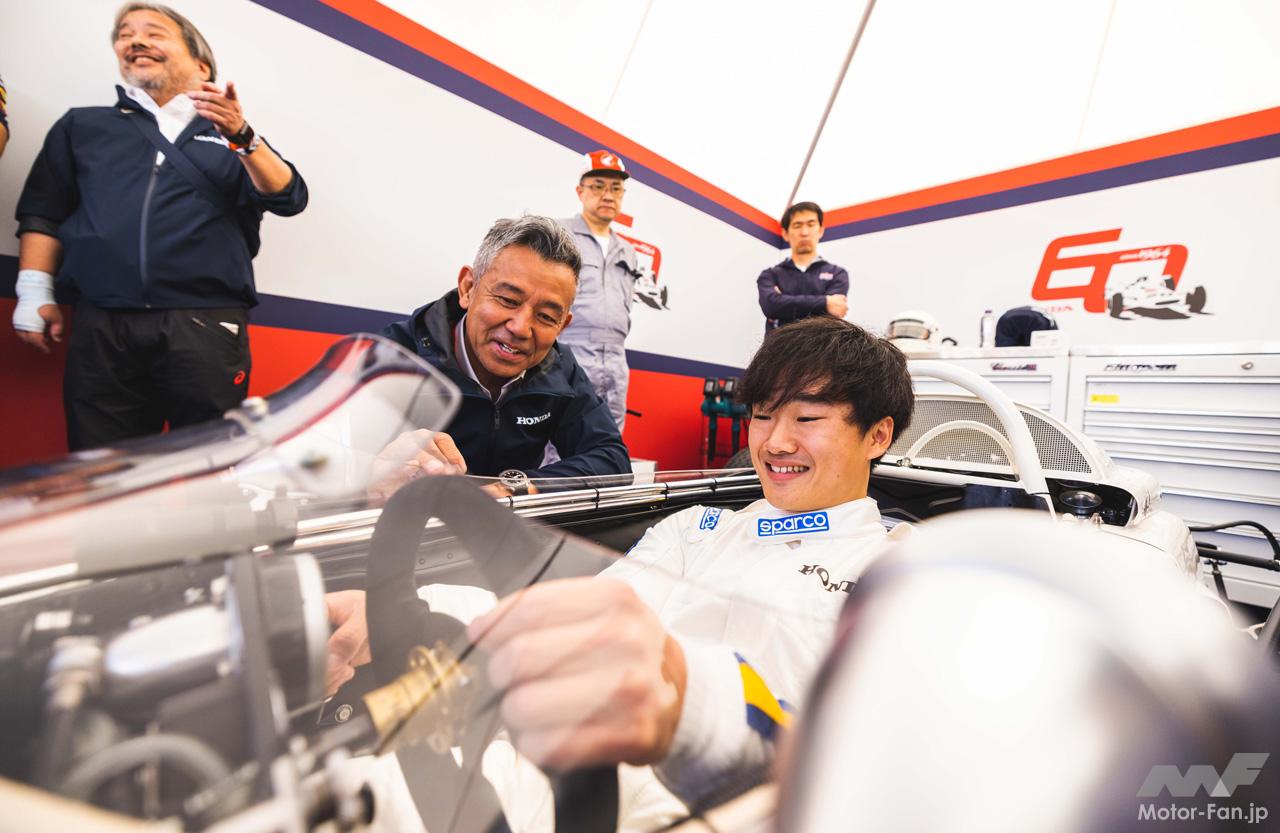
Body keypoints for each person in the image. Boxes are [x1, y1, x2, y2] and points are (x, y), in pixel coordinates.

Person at [328, 317, 915, 828]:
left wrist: (693, 705)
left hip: (744, 803)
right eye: (762, 416)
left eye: (807, 418)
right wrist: (407, 611)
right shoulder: (696, 527)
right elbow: (589, 615)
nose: (775, 442)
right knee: (334, 802)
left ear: (878, 435)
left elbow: (872, 760)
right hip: (568, 768)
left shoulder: (898, 573)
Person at [12, 3, 308, 451]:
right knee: (102, 466)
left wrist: (243, 136)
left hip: (204, 322)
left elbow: (289, 198)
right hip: (101, 322)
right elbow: (43, 213)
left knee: (207, 463)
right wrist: (34, 292)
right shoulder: (82, 126)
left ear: (201, 65)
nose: (135, 41)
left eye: (154, 33)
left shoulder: (232, 137)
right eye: (125, 34)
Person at [377, 216, 631, 495]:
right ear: (468, 288)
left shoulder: (560, 368)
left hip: (508, 519)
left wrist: (513, 488)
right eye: (508, 300)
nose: (520, 328)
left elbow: (612, 460)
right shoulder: (395, 355)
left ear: (562, 325)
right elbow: (340, 456)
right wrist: (380, 465)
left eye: (546, 316)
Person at [556, 150, 640, 432]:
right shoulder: (560, 235)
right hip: (569, 352)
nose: (608, 195)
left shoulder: (627, 250)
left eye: (616, 188)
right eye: (598, 186)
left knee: (610, 437)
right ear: (580, 192)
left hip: (616, 360)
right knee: (562, 435)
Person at [757, 201, 849, 332]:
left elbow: (835, 311)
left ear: (821, 230)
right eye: (797, 225)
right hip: (779, 345)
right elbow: (771, 306)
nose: (804, 232)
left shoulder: (837, 273)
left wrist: (783, 303)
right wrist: (825, 302)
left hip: (822, 344)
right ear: (785, 233)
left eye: (811, 224)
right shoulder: (770, 275)